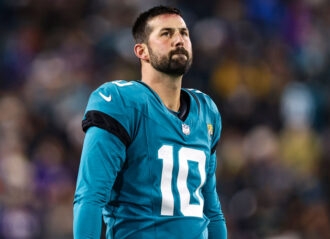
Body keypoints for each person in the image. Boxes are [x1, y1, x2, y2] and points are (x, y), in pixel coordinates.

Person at [73, 5, 227, 239]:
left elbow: (211, 209)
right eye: (166, 33)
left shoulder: (206, 111)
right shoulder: (121, 101)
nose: (179, 40)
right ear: (141, 51)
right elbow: (90, 196)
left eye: (184, 33)